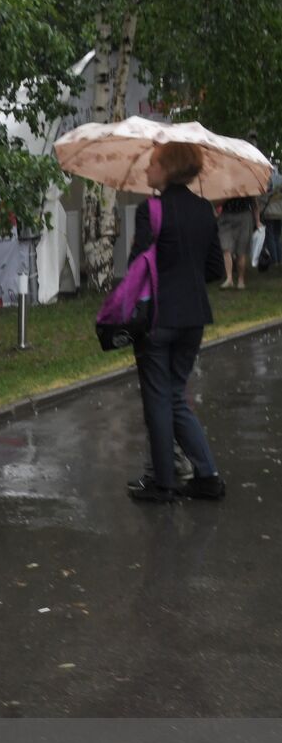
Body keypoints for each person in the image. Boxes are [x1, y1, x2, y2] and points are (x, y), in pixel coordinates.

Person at [126, 142, 226, 502]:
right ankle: (207, 475)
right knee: (175, 395)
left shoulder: (150, 210)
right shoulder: (204, 210)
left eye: (152, 164)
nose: (147, 171)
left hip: (157, 319)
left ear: (168, 169)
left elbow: (137, 267)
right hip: (193, 317)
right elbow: (215, 268)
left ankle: (164, 483)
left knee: (158, 398)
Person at [216, 194, 259, 290]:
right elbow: (216, 204)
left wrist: (257, 221)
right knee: (225, 248)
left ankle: (241, 280)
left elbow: (254, 204)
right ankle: (229, 278)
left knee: (241, 251)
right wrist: (226, 197)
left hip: (244, 217)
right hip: (226, 217)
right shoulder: (224, 186)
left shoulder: (247, 187)